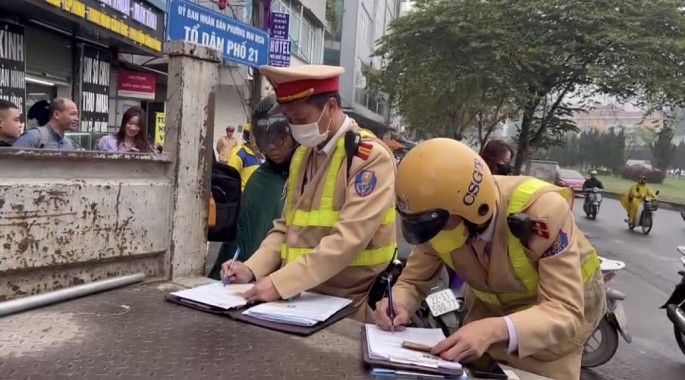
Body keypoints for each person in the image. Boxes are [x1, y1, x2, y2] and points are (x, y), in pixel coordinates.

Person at [374, 138, 605, 380]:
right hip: (488, 312)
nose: (432, 235)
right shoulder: (436, 221)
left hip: (551, 323)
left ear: (472, 207)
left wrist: (494, 329)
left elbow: (565, 310)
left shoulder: (541, 212)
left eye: (438, 225)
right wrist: (398, 304)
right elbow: (413, 281)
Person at [221, 64, 397, 322]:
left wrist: (281, 282)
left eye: (300, 119)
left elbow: (347, 240)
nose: (294, 127)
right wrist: (252, 268)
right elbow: (285, 227)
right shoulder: (303, 154)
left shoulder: (368, 158)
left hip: (348, 306)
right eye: (289, 120)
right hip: (299, 299)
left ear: (331, 108)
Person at [208, 94, 297, 279]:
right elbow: (238, 241)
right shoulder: (260, 180)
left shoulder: (311, 173)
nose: (271, 147)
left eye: (278, 137)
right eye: (265, 139)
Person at [13, 98, 80, 150]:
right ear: (56, 115)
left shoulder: (68, 144)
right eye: (72, 114)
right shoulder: (33, 137)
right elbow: (12, 164)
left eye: (77, 115)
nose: (76, 119)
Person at [228, 123, 263, 190]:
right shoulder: (239, 155)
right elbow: (230, 180)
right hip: (243, 196)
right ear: (249, 137)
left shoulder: (261, 155)